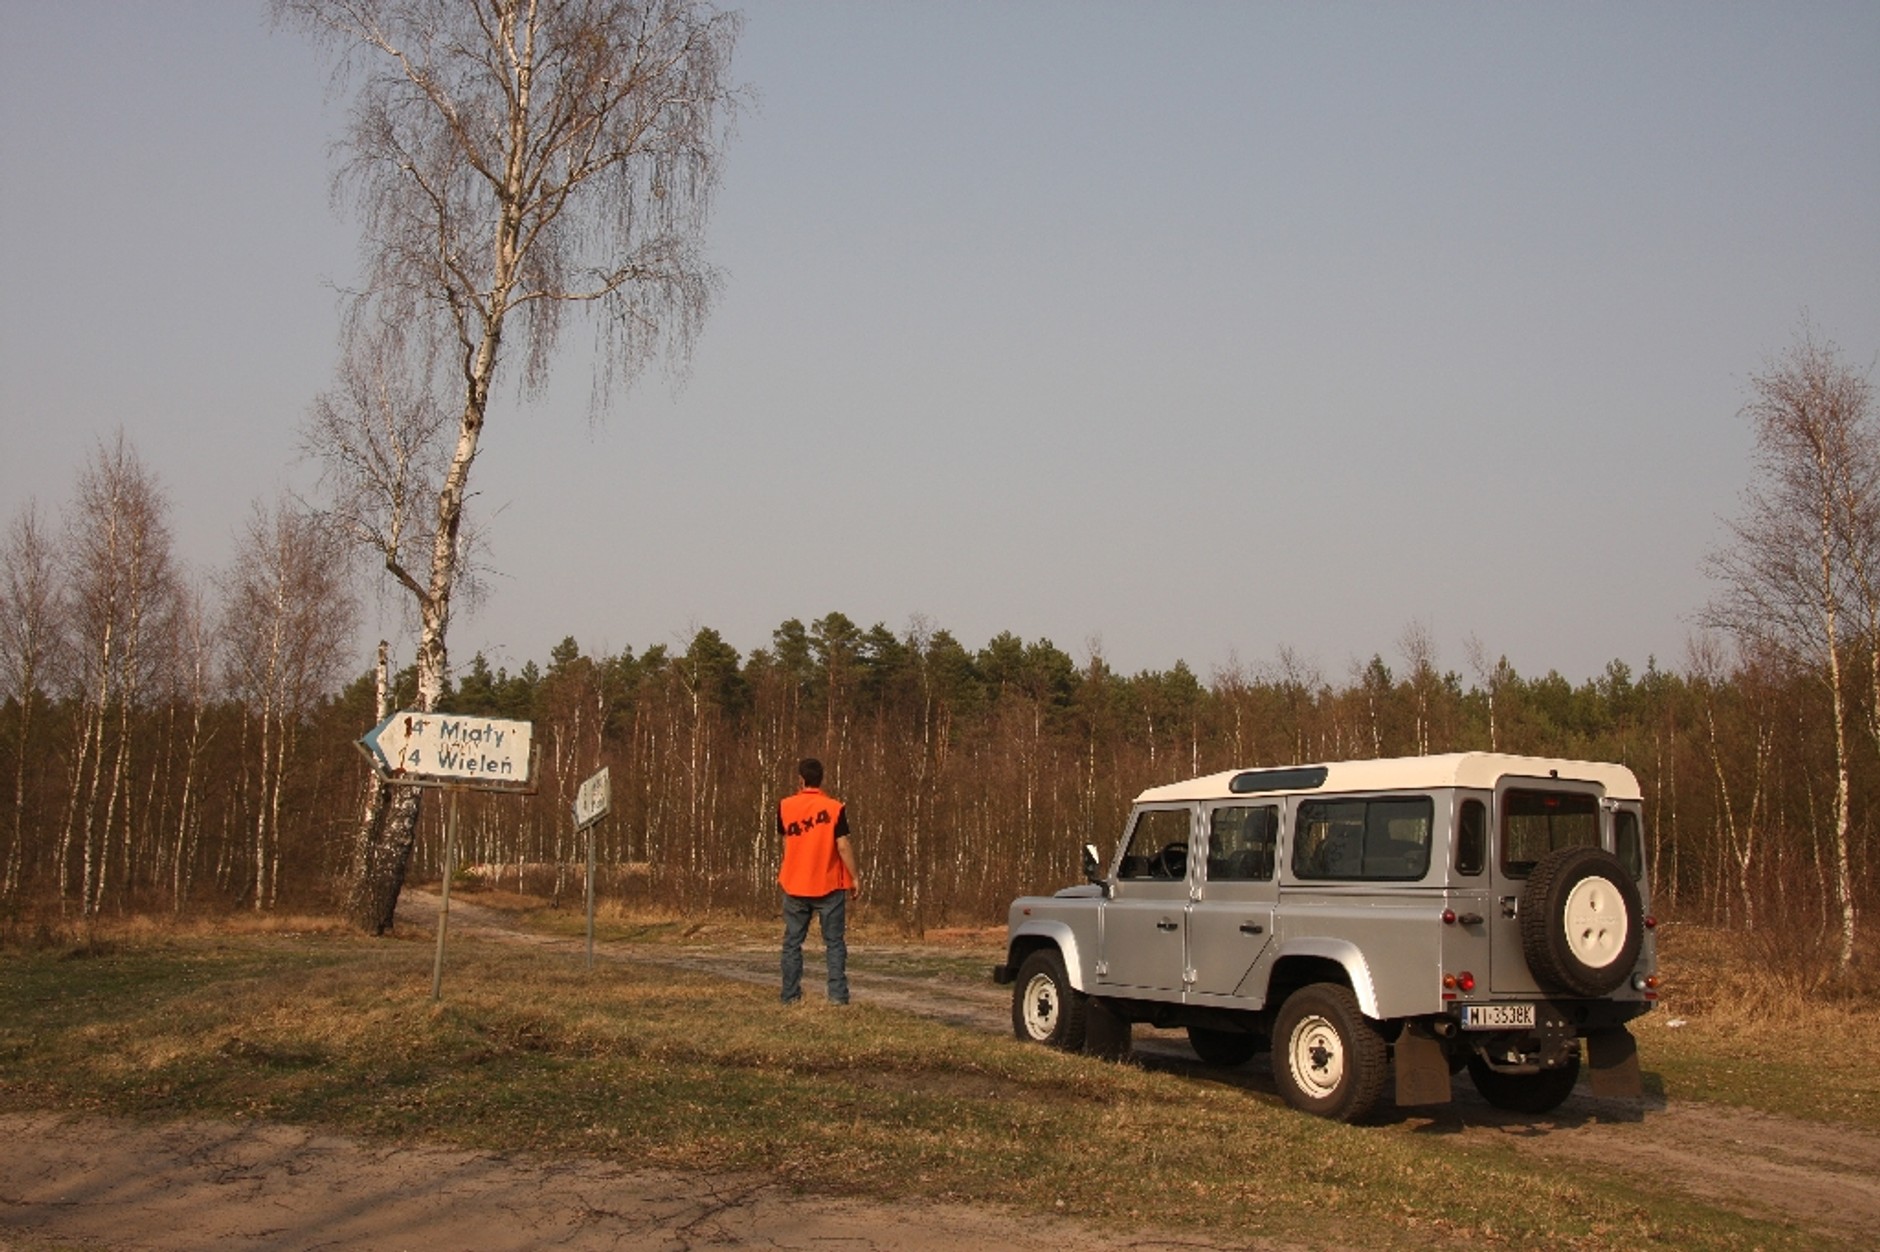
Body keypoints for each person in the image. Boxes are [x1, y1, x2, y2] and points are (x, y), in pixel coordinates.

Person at [777, 757, 859, 1004]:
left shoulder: (785, 806)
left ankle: (790, 995)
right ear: (821, 779)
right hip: (828, 883)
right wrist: (854, 877)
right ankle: (837, 996)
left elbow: (786, 841)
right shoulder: (835, 808)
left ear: (800, 779)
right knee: (834, 943)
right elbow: (842, 845)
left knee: (792, 943)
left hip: (794, 883)